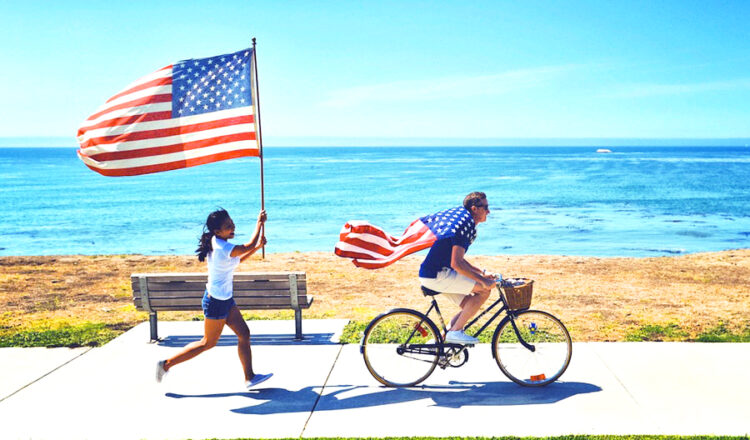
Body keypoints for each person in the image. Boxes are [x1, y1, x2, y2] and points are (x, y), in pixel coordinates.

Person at [155, 208, 271, 389]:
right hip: (216, 302)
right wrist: (259, 223)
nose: (232, 227)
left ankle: (249, 377)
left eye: (232, 223)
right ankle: (166, 364)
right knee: (207, 343)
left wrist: (257, 247)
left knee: (244, 334)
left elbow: (238, 259)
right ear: (217, 231)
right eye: (227, 226)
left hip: (226, 300)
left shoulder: (218, 242)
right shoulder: (222, 247)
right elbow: (246, 246)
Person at [418, 191, 498, 344]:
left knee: (470, 305)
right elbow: (457, 264)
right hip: (437, 275)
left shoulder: (464, 224)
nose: (488, 211)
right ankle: (455, 333)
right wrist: (483, 281)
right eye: (485, 207)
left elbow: (460, 261)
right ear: (474, 209)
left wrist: (482, 274)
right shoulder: (463, 227)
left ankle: (442, 339)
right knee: (484, 291)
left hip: (436, 274)